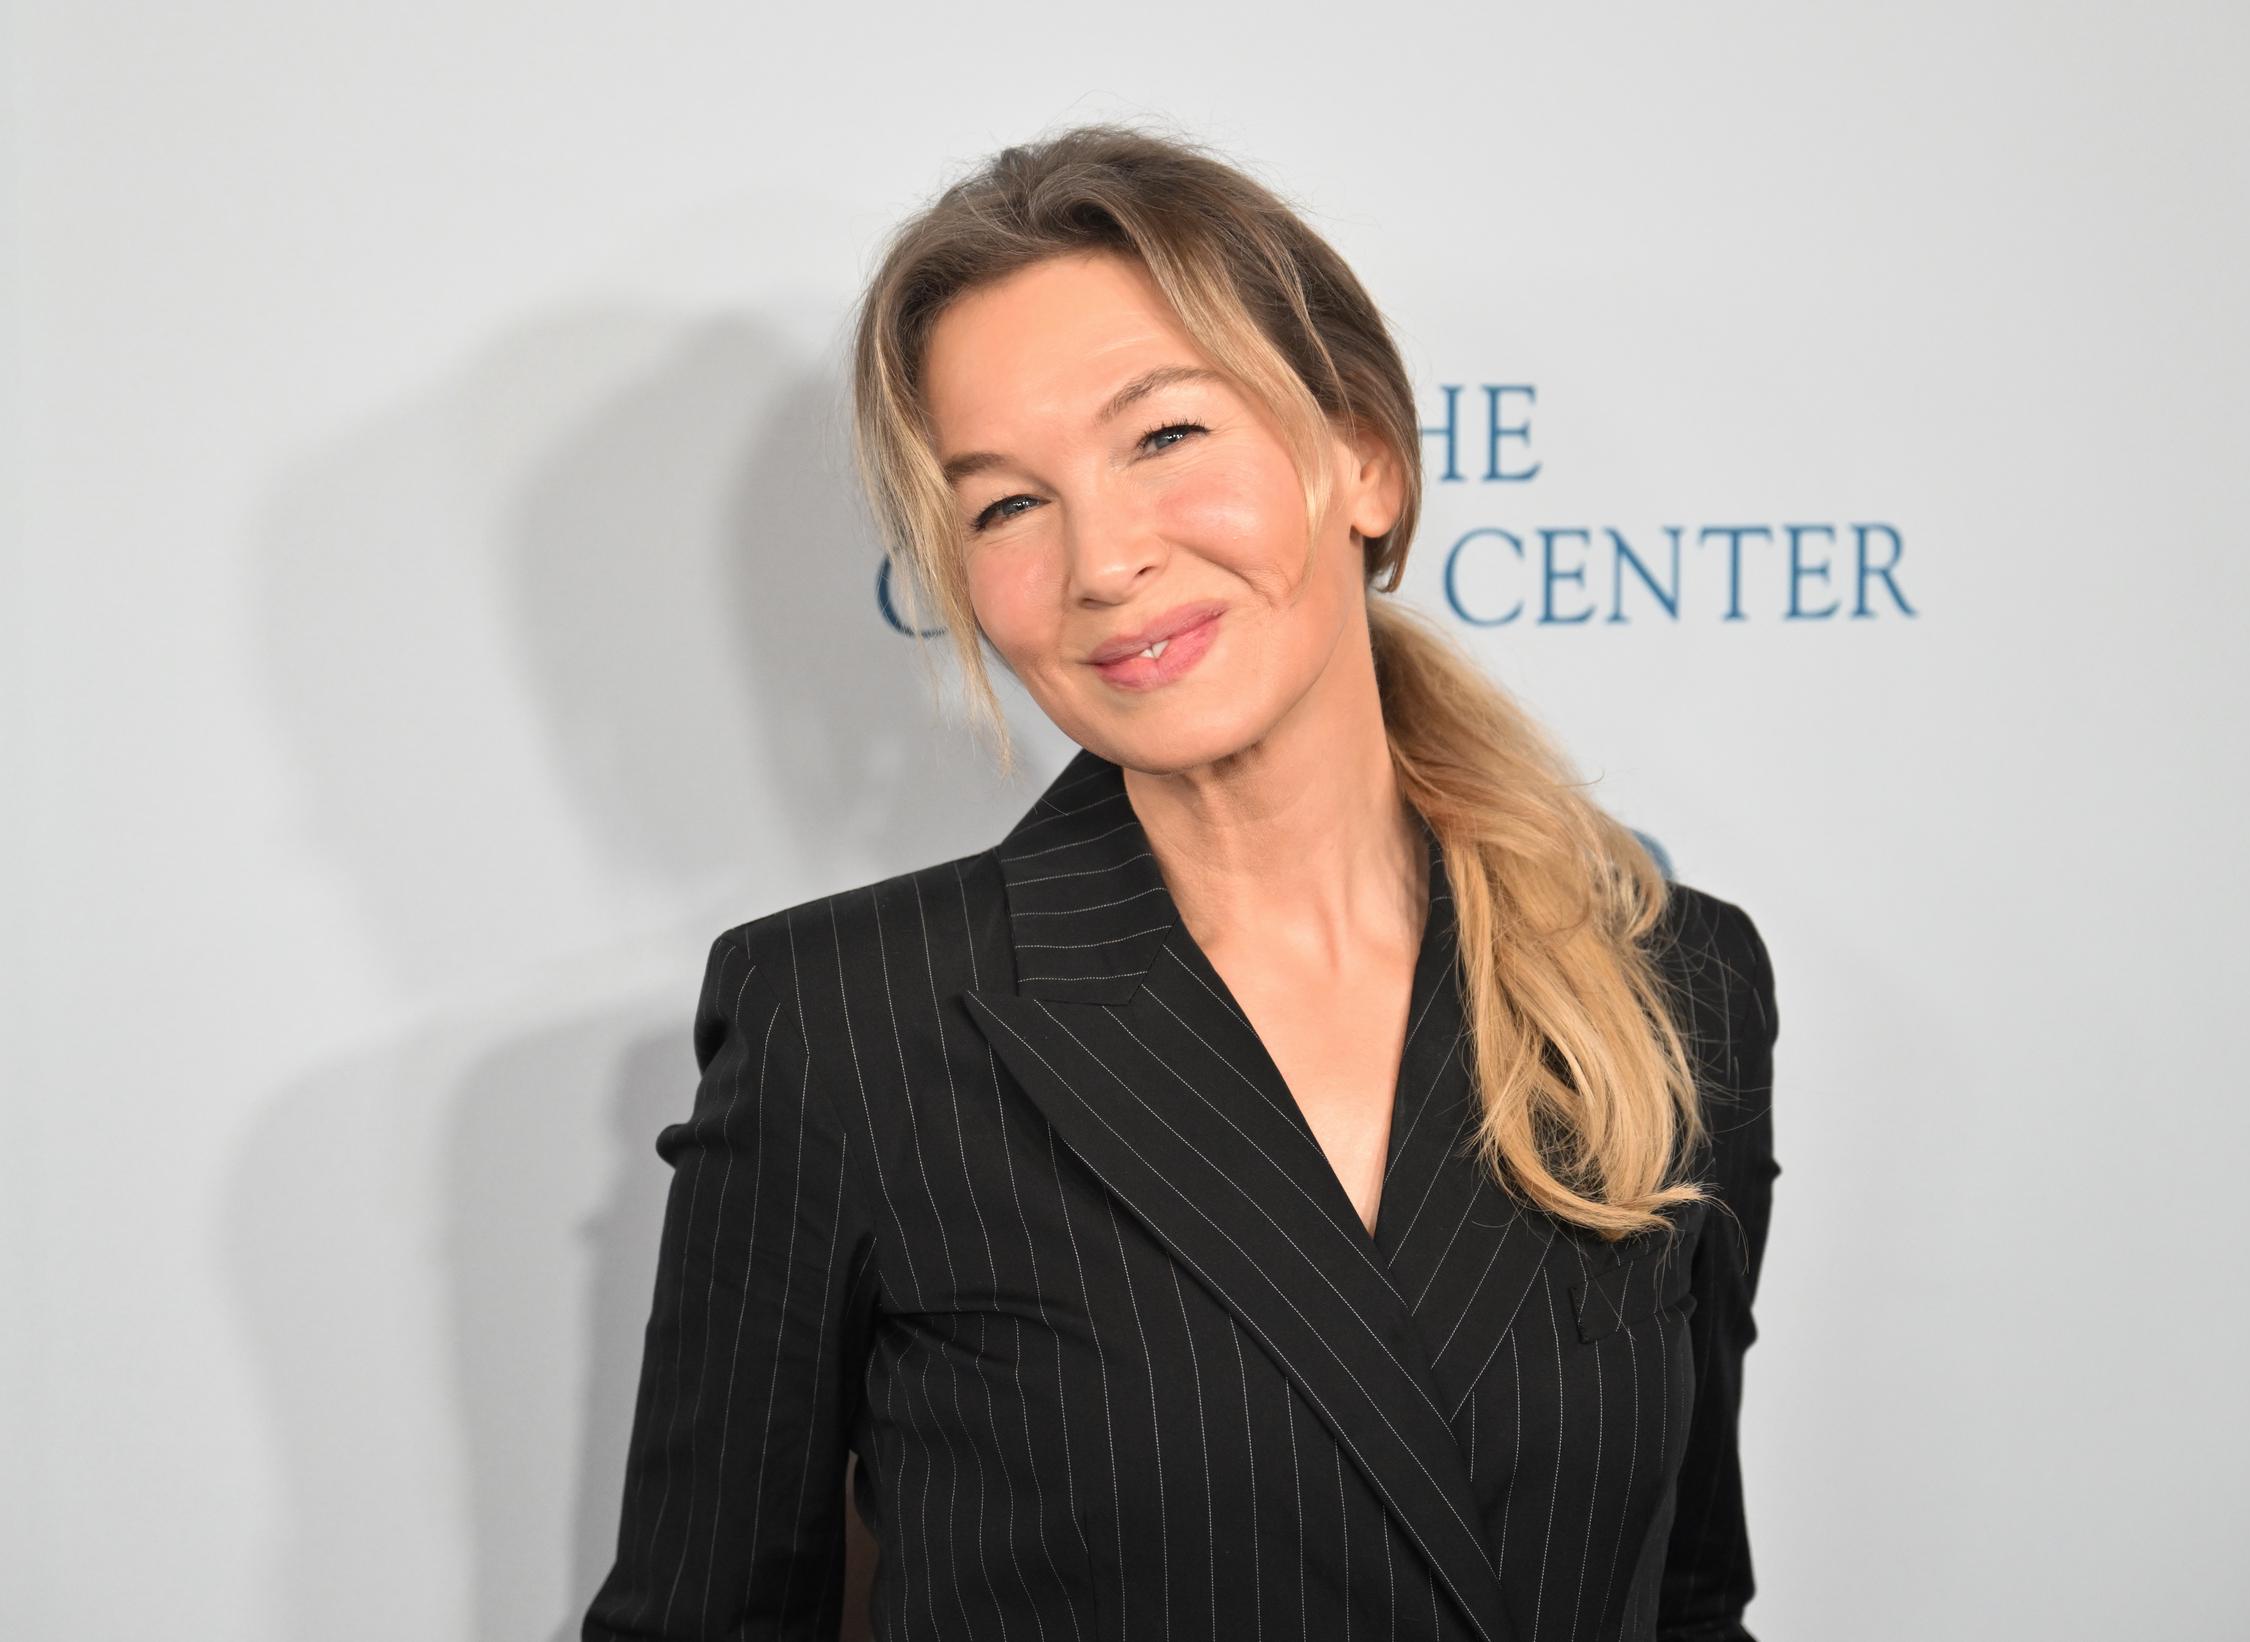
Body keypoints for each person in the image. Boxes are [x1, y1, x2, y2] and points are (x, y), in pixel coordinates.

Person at [582, 121, 1779, 1642]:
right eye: (1007, 503)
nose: (1102, 560)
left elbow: (1684, 1598)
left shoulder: (1677, 984)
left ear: (1365, 456)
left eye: (1163, 438)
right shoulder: (850, 1029)